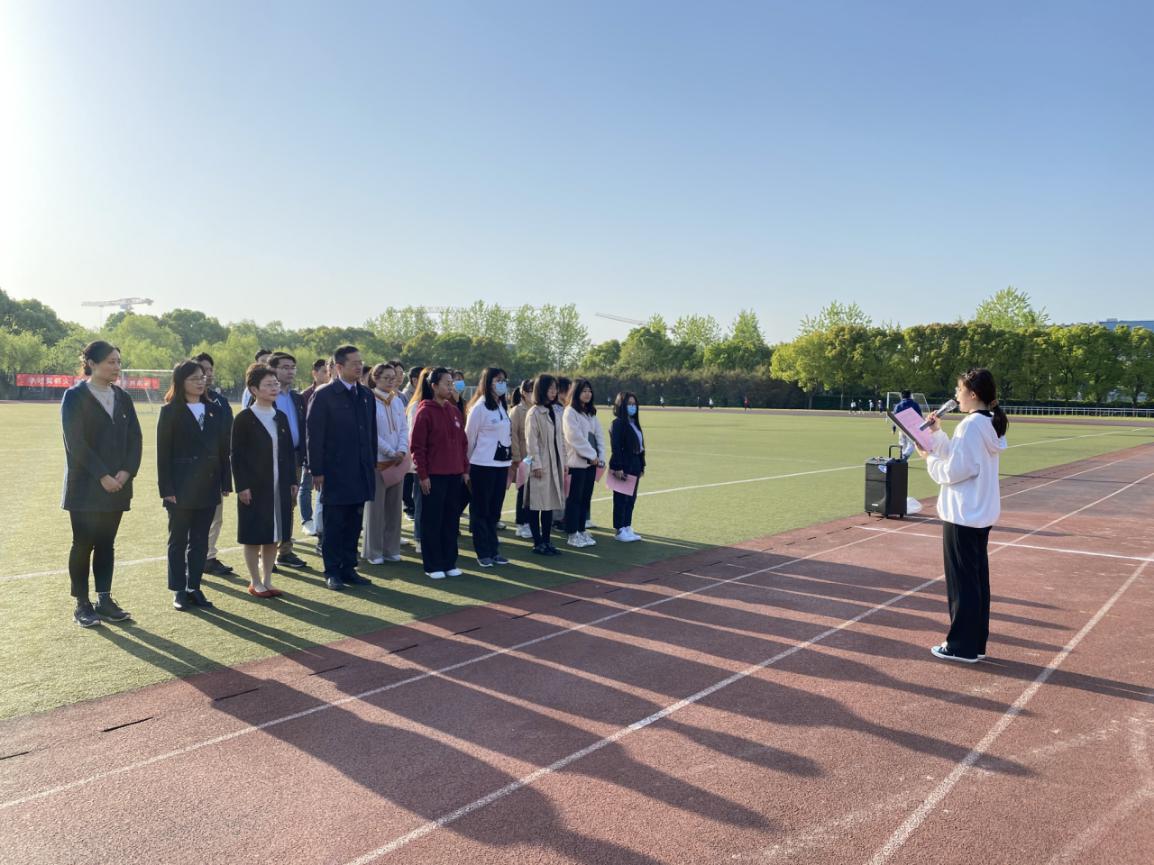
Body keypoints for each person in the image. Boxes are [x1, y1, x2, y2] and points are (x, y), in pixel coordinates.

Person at [916, 368, 1009, 664]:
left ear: (973, 394)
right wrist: (936, 434)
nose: (956, 396)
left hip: (963, 514)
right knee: (976, 581)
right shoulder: (987, 423)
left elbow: (955, 470)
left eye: (959, 390)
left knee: (962, 584)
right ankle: (975, 643)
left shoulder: (971, 426)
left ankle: (961, 646)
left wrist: (928, 457)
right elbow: (958, 455)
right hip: (978, 513)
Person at [60, 341, 142, 627]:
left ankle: (104, 600)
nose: (116, 367)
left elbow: (135, 439)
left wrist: (126, 472)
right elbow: (76, 443)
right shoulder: (74, 397)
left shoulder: (123, 397)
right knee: (83, 543)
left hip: (118, 485)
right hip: (85, 486)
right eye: (110, 361)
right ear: (92, 364)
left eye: (118, 361)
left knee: (107, 542)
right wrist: (102, 475)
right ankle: (82, 604)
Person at [157, 360, 232, 611]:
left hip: (208, 486)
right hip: (180, 488)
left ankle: (194, 587)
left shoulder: (215, 410)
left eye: (202, 377)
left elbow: (223, 449)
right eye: (194, 378)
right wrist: (167, 489)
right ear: (181, 382)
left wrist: (225, 481)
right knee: (178, 540)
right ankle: (179, 589)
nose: (201, 382)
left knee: (200, 541)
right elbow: (163, 454)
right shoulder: (170, 412)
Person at [307, 345, 377, 590]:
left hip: (360, 470)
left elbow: (371, 433)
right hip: (335, 472)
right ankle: (332, 571)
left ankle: (349, 568)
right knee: (334, 524)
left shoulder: (366, 395)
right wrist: (317, 470)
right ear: (338, 367)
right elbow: (314, 436)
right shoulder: (325, 395)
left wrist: (371, 463)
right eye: (354, 363)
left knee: (354, 523)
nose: (359, 367)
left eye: (361, 362)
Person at [231, 364, 297, 598]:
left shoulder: (280, 416)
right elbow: (236, 456)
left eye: (275, 384)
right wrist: (242, 486)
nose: (274, 388)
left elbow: (288, 452)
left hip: (280, 486)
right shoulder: (244, 418)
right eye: (268, 384)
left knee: (274, 534)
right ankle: (255, 581)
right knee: (253, 535)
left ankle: (267, 580)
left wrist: (292, 480)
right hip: (255, 487)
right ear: (254, 389)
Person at [409, 367, 469, 579]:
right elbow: (417, 447)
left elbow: (462, 443)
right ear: (433, 386)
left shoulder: (453, 411)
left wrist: (465, 469)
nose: (451, 387)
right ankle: (433, 565)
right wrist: (423, 475)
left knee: (451, 520)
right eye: (447, 383)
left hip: (454, 474)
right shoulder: (424, 411)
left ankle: (449, 561)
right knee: (432, 521)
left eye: (452, 383)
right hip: (434, 476)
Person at [465, 367, 513, 567]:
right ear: (488, 382)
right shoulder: (479, 407)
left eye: (504, 380)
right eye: (498, 380)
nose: (502, 384)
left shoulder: (501, 405)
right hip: (482, 465)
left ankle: (494, 550)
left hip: (501, 465)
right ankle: (482, 551)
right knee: (481, 510)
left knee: (494, 511)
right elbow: (469, 438)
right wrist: (466, 467)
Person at [195, 352, 237, 577]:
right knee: (192, 519)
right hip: (191, 474)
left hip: (216, 469)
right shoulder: (183, 401)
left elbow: (228, 436)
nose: (207, 374)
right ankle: (191, 559)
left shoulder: (220, 401)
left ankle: (208, 557)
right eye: (203, 370)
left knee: (215, 517)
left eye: (210, 370)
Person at [362, 363, 409, 565]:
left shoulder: (396, 400)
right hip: (379, 461)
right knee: (375, 510)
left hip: (397, 462)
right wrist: (390, 451)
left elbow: (403, 429)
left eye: (393, 377)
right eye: (386, 378)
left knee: (394, 508)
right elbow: (371, 433)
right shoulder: (369, 400)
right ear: (376, 378)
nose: (391, 381)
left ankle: (391, 548)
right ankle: (374, 551)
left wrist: (402, 450)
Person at [267, 353, 308, 569]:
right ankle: (266, 552)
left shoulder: (296, 398)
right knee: (270, 505)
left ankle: (285, 551)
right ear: (272, 370)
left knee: (289, 504)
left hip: (294, 458)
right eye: (284, 367)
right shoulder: (265, 396)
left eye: (292, 367)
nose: (290, 371)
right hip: (271, 458)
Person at [525, 375, 566, 556]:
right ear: (541, 390)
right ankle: (537, 542)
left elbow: (561, 439)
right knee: (537, 503)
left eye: (555, 388)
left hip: (554, 463)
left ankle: (547, 540)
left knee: (549, 503)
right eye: (550, 388)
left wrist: (564, 461)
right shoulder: (534, 412)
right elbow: (531, 441)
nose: (554, 392)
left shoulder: (554, 411)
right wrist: (536, 464)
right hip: (540, 465)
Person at [562, 378, 605, 548]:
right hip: (576, 464)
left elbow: (599, 436)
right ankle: (572, 534)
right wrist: (592, 455)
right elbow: (574, 438)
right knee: (574, 500)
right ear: (576, 393)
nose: (588, 394)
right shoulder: (570, 412)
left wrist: (600, 457)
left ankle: (581, 530)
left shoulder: (590, 413)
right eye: (584, 391)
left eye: (589, 391)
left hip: (591, 464)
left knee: (585, 499)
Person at [298, 358, 330, 536]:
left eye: (328, 371)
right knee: (306, 485)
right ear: (314, 373)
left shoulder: (331, 393)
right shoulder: (306, 395)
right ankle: (307, 519)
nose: (327, 374)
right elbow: (305, 426)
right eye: (323, 371)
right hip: (310, 447)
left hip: (326, 450)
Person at [608, 392, 646, 542]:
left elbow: (641, 445)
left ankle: (627, 525)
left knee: (631, 498)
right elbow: (616, 447)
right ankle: (619, 529)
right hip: (623, 464)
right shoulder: (617, 423)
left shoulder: (634, 423)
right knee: (621, 499)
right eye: (629, 404)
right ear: (621, 405)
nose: (632, 406)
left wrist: (642, 465)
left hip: (635, 463)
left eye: (634, 404)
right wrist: (618, 467)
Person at [509, 378, 534, 539]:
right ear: (523, 393)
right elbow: (513, 436)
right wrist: (517, 458)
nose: (533, 394)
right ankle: (521, 523)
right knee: (523, 491)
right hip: (523, 458)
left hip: (536, 458)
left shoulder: (538, 409)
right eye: (531, 391)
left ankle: (529, 522)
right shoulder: (517, 411)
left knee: (533, 492)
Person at [892, 389, 923, 459]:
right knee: (912, 444)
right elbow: (920, 416)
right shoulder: (915, 404)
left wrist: (894, 428)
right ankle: (905, 456)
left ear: (901, 396)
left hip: (901, 427)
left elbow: (894, 418)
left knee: (902, 443)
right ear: (910, 395)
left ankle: (902, 459)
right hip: (912, 427)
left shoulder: (898, 405)